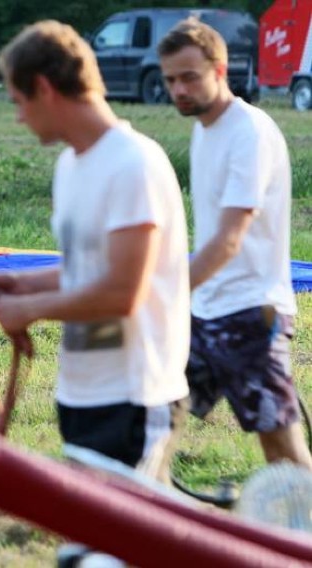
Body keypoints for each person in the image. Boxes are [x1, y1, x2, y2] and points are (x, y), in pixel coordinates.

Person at [0, 20, 191, 484]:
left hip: (136, 393)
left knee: (118, 550)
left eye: (18, 101)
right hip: (84, 389)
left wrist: (27, 309)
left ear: (45, 89)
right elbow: (87, 267)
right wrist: (22, 283)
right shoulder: (71, 165)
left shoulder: (134, 163)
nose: (17, 118)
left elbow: (121, 292)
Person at [159, 19, 312, 470]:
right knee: (152, 419)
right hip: (205, 310)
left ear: (220, 69)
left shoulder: (249, 132)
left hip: (252, 314)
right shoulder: (205, 128)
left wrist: (162, 293)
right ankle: (152, 525)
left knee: (282, 452)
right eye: (171, 79)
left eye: (190, 76)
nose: (179, 89)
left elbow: (228, 241)